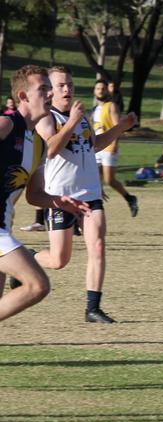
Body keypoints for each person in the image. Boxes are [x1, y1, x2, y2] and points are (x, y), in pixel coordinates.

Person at [25, 65, 138, 324]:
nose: (68, 89)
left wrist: (122, 126)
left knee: (97, 245)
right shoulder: (47, 118)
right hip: (61, 198)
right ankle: (29, 258)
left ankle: (92, 308)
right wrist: (73, 122)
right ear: (50, 92)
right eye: (61, 85)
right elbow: (50, 149)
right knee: (58, 260)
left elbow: (95, 144)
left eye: (70, 85)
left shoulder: (82, 116)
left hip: (90, 195)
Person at [0, 65, 88, 321]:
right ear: (23, 97)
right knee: (37, 285)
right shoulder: (7, 124)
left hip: (5, 226)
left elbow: (34, 195)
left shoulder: (37, 143)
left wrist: (61, 202)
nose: (50, 94)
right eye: (43, 89)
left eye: (50, 88)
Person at [92, 79, 139, 217]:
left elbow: (117, 127)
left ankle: (130, 198)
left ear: (108, 91)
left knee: (109, 180)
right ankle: (87, 213)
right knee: (91, 179)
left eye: (103, 88)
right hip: (97, 147)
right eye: (98, 88)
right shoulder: (95, 108)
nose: (100, 91)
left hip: (108, 147)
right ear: (94, 91)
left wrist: (114, 144)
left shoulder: (111, 106)